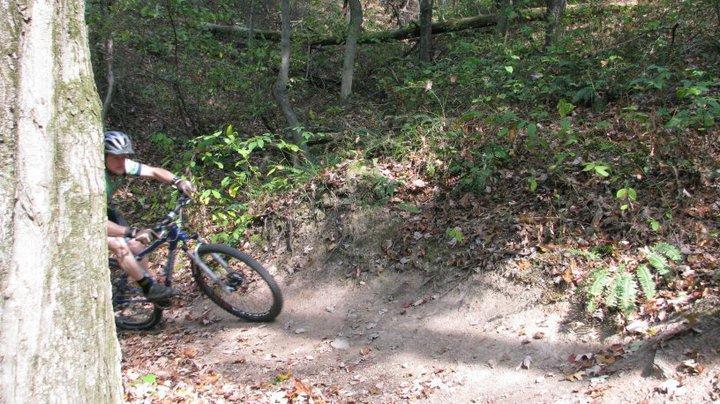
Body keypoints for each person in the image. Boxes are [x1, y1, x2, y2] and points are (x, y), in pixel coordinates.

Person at [104, 130, 195, 305]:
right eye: (116, 157)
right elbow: (98, 223)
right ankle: (147, 287)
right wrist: (133, 231)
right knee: (119, 245)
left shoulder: (122, 165)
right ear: (104, 157)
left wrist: (177, 181)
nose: (121, 161)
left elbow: (153, 172)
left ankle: (151, 288)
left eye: (124, 156)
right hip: (90, 220)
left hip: (105, 210)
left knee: (137, 245)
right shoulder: (96, 179)